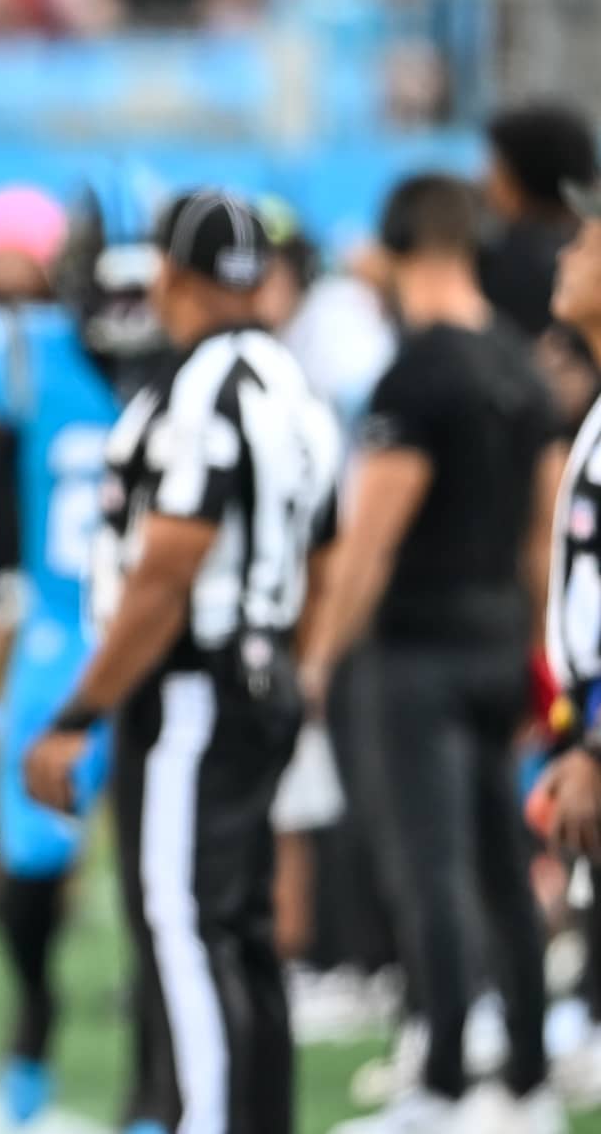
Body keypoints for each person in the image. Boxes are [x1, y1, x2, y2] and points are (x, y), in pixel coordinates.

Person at [25, 189, 340, 1134]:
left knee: (187, 929)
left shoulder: (203, 387)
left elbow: (166, 571)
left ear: (172, 272)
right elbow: (327, 550)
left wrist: (78, 714)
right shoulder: (289, 380)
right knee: (238, 933)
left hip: (196, 687)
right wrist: (296, 661)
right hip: (256, 671)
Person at [299, 174, 565, 1134]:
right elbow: (542, 534)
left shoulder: (419, 373)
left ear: (404, 247)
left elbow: (372, 538)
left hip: (417, 649)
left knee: (432, 870)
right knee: (502, 866)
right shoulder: (519, 365)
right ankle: (528, 1076)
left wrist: (323, 656)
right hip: (501, 638)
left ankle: (447, 1079)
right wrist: (540, 645)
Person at [0, 167, 168, 1125]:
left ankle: (154, 1079)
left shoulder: (200, 360)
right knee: (33, 864)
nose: (127, 311)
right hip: (53, 630)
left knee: (171, 871)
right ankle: (35, 1008)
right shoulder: (21, 350)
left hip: (165, 638)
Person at [480, 101, 599, 338]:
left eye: (495, 166)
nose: (483, 177)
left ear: (517, 179)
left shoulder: (508, 264)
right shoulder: (581, 240)